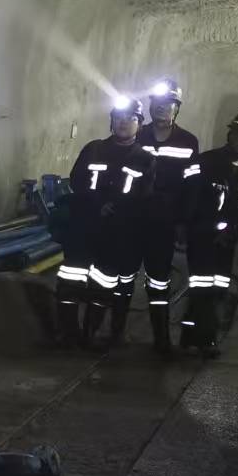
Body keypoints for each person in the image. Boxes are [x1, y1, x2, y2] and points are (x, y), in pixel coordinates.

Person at [70, 95, 155, 347]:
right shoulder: (94, 149)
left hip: (120, 233)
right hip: (88, 228)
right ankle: (74, 332)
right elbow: (77, 181)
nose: (124, 122)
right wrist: (98, 204)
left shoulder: (145, 159)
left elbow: (145, 196)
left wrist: (119, 209)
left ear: (139, 124)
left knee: (109, 284)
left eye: (131, 118)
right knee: (75, 282)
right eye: (119, 117)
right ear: (112, 121)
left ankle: (98, 332)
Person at [181, 111, 238, 356]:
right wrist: (188, 227)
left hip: (227, 240)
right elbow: (190, 195)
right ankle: (205, 340)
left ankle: (192, 338)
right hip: (204, 236)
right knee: (203, 287)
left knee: (217, 288)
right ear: (230, 135)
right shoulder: (207, 161)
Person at [136, 78, 200, 354]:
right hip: (132, 218)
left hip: (164, 222)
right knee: (118, 277)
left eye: (168, 104)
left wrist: (184, 222)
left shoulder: (187, 141)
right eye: (158, 103)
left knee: (159, 280)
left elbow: (192, 186)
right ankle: (110, 332)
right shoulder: (136, 135)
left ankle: (161, 338)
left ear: (177, 108)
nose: (162, 108)